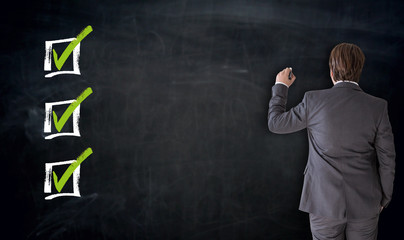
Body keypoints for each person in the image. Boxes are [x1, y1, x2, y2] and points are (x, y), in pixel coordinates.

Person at [267, 43, 395, 240]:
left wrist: (281, 86)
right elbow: (387, 159)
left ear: (332, 71)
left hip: (322, 205)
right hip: (366, 204)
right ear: (360, 70)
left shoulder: (313, 101)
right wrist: (384, 198)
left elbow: (276, 123)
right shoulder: (377, 107)